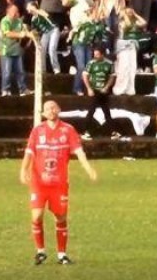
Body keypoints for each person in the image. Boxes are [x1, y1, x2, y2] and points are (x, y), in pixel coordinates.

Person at [19, 100, 98, 266]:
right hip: (39, 182)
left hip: (59, 183)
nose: (51, 111)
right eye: (47, 109)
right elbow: (29, 152)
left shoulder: (68, 130)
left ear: (59, 110)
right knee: (37, 215)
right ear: (43, 113)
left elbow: (79, 152)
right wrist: (23, 170)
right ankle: (40, 251)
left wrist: (89, 169)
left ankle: (62, 254)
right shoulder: (37, 130)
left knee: (60, 218)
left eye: (53, 107)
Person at [81, 47, 121, 141]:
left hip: (103, 91)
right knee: (92, 110)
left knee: (106, 111)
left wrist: (106, 87)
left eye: (98, 54)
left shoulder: (109, 64)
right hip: (94, 90)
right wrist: (89, 89)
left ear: (102, 54)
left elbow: (112, 76)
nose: (95, 56)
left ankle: (112, 132)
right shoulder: (91, 63)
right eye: (95, 54)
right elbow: (85, 75)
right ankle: (87, 131)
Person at [0, 5, 31, 97]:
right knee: (7, 72)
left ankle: (23, 89)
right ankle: (5, 90)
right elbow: (7, 33)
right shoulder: (5, 21)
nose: (16, 13)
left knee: (20, 71)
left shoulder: (19, 21)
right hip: (6, 50)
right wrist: (20, 35)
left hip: (17, 50)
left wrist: (31, 36)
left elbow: (25, 31)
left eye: (17, 11)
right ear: (8, 11)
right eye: (14, 11)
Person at [28, 2, 61, 75]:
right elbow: (34, 32)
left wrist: (35, 9)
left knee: (51, 49)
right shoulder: (33, 19)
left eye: (29, 7)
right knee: (41, 49)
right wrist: (36, 42)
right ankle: (43, 70)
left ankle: (56, 69)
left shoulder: (41, 11)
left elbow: (46, 15)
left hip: (53, 29)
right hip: (46, 33)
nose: (28, 9)